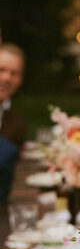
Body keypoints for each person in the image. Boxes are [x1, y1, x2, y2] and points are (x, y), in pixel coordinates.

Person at [0, 43, 26, 205]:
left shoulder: (17, 124)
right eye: (1, 70)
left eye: (14, 73)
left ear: (20, 80)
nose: (6, 77)